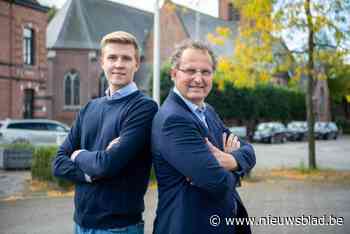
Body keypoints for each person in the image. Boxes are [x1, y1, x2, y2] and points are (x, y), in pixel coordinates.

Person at [52, 31, 158, 234]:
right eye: (112, 57)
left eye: (126, 58)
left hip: (119, 227)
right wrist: (92, 173)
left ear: (136, 64)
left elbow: (106, 165)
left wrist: (77, 154)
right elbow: (58, 163)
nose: (118, 64)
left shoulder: (144, 108)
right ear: (102, 62)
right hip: (80, 223)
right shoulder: (89, 108)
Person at [151, 40, 256, 234]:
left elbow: (249, 150)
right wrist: (234, 169)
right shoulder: (173, 120)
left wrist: (231, 160)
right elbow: (218, 183)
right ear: (174, 74)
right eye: (190, 71)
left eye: (205, 72)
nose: (198, 79)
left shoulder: (208, 112)